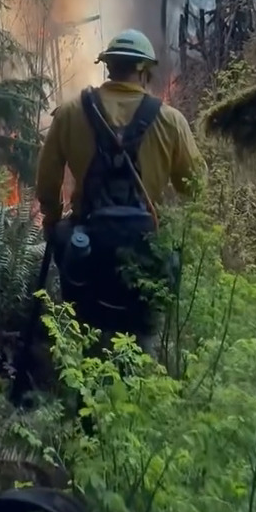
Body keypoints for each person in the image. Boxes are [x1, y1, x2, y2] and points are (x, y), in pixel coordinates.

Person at [35, 29, 206, 355]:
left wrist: (52, 219)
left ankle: (82, 387)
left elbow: (47, 178)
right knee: (142, 334)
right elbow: (194, 186)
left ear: (108, 66)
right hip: (143, 247)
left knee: (84, 329)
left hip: (87, 246)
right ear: (144, 71)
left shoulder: (70, 113)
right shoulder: (171, 120)